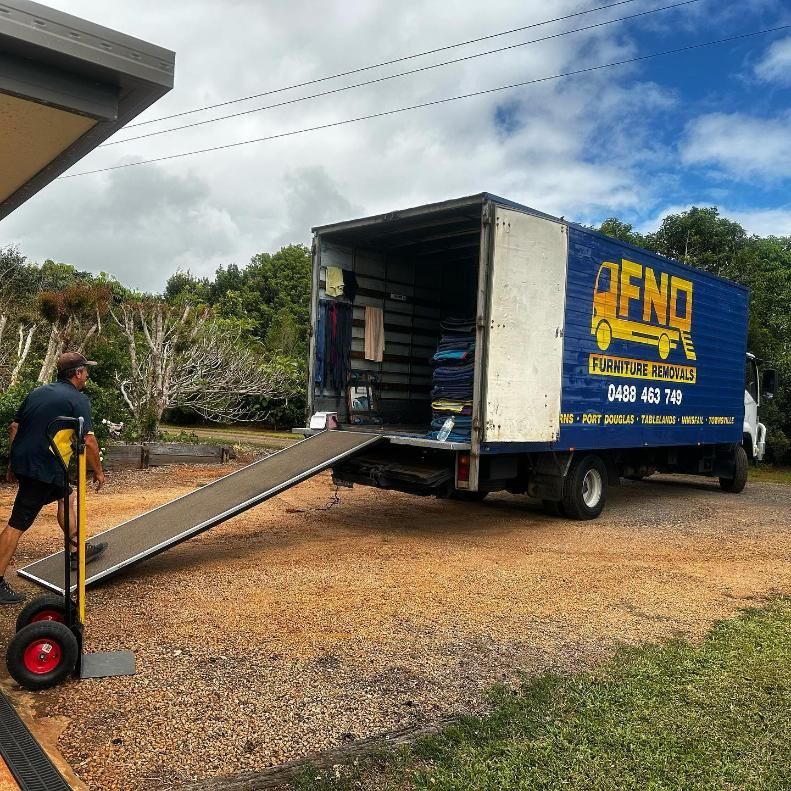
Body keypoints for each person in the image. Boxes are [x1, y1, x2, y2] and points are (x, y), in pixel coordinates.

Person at [0, 352, 107, 604]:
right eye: (85, 371)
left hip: (34, 463)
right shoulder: (77, 400)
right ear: (77, 374)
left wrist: (14, 462)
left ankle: (75, 550)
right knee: (16, 525)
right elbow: (89, 441)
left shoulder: (38, 393)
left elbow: (14, 427)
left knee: (67, 496)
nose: (87, 375)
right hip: (43, 468)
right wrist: (99, 472)